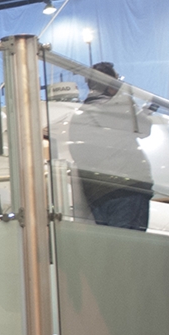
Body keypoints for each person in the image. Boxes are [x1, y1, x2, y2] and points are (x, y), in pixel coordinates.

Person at [71, 62, 153, 230]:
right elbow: (144, 129)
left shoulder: (80, 115)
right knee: (130, 243)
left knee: (112, 244)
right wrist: (126, 99)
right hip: (127, 187)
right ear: (111, 86)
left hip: (96, 194)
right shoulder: (119, 107)